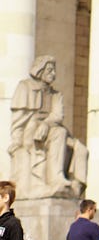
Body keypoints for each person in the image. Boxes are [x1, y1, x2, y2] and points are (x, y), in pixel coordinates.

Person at [9, 55, 88, 199]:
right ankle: (55, 179)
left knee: (80, 149)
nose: (53, 74)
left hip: (50, 128)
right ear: (40, 70)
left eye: (54, 70)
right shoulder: (25, 87)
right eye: (50, 70)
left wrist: (46, 123)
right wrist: (16, 140)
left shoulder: (56, 94)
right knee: (60, 133)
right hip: (31, 131)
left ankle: (75, 186)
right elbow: (19, 118)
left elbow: (58, 115)